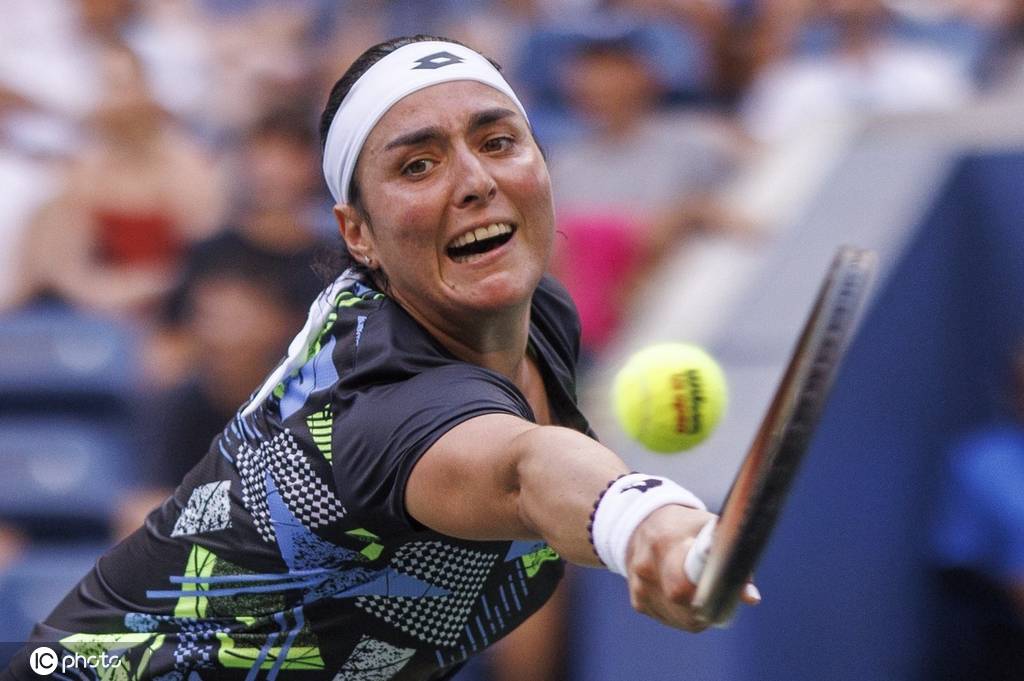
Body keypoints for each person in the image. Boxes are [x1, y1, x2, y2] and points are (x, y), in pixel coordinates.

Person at [3, 35, 757, 680]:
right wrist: (643, 519)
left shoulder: (541, 316)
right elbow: (523, 470)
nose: (476, 181)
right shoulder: (378, 406)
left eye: (498, 142)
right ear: (357, 233)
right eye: (418, 165)